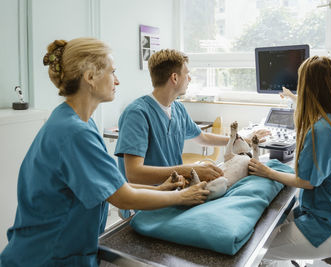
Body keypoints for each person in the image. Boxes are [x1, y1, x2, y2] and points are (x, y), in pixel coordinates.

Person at [0, 38, 209, 267]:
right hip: (45, 257)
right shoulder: (74, 132)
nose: (117, 81)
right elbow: (122, 197)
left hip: (61, 250)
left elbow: (113, 186)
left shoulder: (78, 121)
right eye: (113, 72)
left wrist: (160, 188)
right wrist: (181, 196)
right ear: (90, 77)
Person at [249, 56, 331, 262]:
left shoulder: (322, 130)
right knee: (268, 227)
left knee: (253, 250)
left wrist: (266, 171)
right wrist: (294, 98)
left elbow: (307, 182)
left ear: (308, 88)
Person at [115, 49, 268, 186]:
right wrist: (189, 170)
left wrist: (241, 139)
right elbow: (134, 174)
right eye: (187, 74)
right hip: (147, 201)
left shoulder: (178, 108)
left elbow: (202, 138)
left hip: (175, 191)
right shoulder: (137, 114)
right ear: (174, 78)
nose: (190, 79)